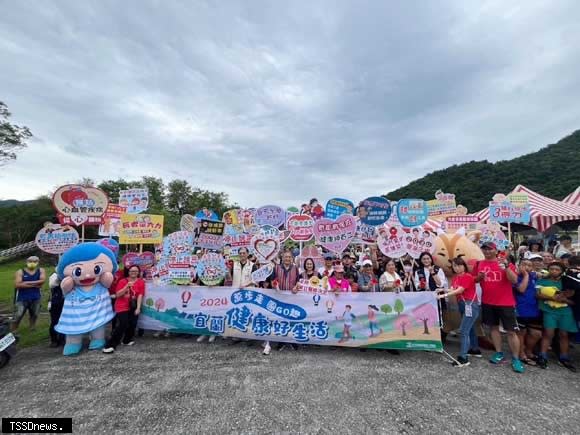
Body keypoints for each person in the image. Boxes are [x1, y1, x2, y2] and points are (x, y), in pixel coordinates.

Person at [473, 242, 524, 373]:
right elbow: (475, 280)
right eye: (484, 249)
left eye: (490, 249)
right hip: (487, 302)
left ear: (496, 251)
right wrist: (479, 277)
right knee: (493, 328)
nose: (487, 252)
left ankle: (515, 358)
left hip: (506, 303)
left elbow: (514, 281)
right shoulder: (479, 264)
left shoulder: (506, 263)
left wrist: (506, 267)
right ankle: (499, 352)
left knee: (511, 331)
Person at [438, 258, 481, 367]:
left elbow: (460, 290)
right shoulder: (456, 277)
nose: (457, 268)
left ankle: (463, 358)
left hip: (470, 305)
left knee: (463, 331)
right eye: (454, 266)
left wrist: (443, 295)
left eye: (459, 265)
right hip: (462, 305)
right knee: (468, 329)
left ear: (464, 265)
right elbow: (453, 289)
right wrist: (442, 290)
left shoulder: (467, 276)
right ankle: (474, 350)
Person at [536, 262, 577, 371]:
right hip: (549, 311)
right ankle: (543, 355)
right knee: (548, 333)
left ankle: (564, 357)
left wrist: (565, 299)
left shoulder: (567, 281)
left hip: (565, 311)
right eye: (552, 269)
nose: (554, 271)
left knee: (564, 334)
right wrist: (552, 298)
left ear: (562, 271)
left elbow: (574, 297)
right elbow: (537, 294)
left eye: (557, 269)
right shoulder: (542, 281)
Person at [103, 265, 145, 353]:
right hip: (121, 306)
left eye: (136, 271)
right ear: (128, 272)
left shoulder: (141, 282)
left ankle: (126, 340)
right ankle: (110, 345)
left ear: (138, 272)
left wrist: (138, 308)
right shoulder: (122, 281)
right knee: (123, 324)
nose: (133, 273)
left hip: (133, 306)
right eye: (131, 271)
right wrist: (126, 286)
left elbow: (140, 295)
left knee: (133, 323)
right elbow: (118, 295)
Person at [513, 258, 542, 366]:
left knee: (536, 334)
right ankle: (521, 353)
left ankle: (528, 350)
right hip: (521, 310)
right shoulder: (516, 277)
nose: (527, 267)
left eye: (529, 265)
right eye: (524, 264)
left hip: (534, 309)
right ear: (519, 266)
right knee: (521, 333)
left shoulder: (534, 276)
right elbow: (521, 289)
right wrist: (525, 275)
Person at [270, 251, 300, 353]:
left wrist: (296, 287)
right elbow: (272, 280)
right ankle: (281, 341)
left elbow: (298, 282)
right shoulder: (276, 267)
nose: (287, 259)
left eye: (289, 257)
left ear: (292, 258)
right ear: (282, 258)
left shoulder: (295, 268)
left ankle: (292, 340)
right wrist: (274, 284)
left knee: (292, 319)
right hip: (280, 298)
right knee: (281, 319)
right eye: (285, 257)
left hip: (292, 298)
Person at [12, 256, 46, 332]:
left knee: (35, 314)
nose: (32, 263)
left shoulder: (41, 270)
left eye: (35, 261)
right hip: (22, 297)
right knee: (18, 314)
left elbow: (42, 281)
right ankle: (14, 329)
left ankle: (32, 327)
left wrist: (26, 282)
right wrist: (35, 284)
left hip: (36, 297)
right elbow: (17, 285)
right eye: (30, 261)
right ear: (26, 262)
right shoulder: (20, 271)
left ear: (38, 262)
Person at [48, 270, 65, 347]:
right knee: (55, 321)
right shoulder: (54, 275)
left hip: (65, 301)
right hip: (56, 302)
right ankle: (54, 340)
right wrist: (60, 277)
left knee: (65, 321)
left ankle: (62, 339)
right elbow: (52, 284)